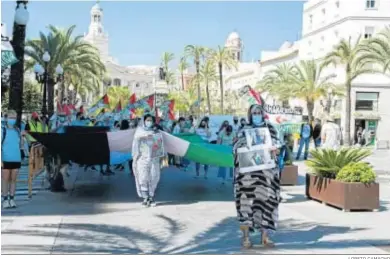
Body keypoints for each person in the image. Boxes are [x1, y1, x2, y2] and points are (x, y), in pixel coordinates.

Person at [233, 104, 282, 249]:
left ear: (263, 113)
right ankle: (246, 238)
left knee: (267, 204)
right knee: (246, 205)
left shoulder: (271, 129)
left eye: (259, 112)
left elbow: (279, 147)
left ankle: (265, 237)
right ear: (249, 114)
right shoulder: (243, 130)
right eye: (254, 112)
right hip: (247, 178)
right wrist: (242, 148)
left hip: (267, 177)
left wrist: (276, 150)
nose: (256, 114)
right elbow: (234, 149)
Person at [132, 114, 162, 207]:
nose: (149, 122)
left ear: (153, 122)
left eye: (150, 120)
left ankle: (151, 197)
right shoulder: (139, 132)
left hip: (154, 159)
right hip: (142, 158)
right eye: (147, 120)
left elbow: (160, 145)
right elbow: (135, 145)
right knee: (143, 177)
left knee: (154, 177)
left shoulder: (157, 131)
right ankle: (145, 198)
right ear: (144, 121)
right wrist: (135, 157)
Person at [1, 110, 23, 209]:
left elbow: (21, 145)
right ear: (6, 118)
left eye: (14, 118)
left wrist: (22, 138)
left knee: (13, 180)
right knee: (5, 179)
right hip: (5, 158)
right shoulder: (2, 130)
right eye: (10, 117)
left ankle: (12, 199)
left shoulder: (17, 130)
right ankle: (5, 199)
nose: (12, 120)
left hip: (16, 158)